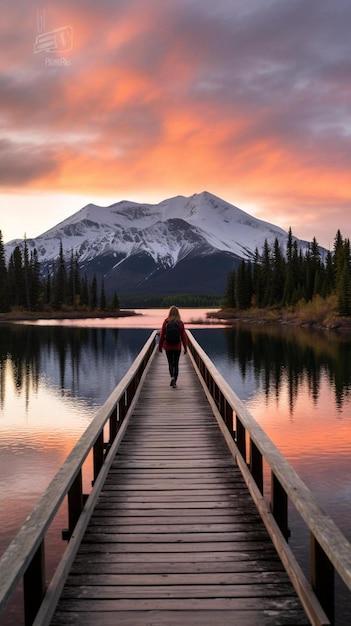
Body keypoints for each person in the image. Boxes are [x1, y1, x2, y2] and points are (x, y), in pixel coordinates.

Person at [159, 305, 187, 388]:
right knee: (176, 363)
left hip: (168, 346)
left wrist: (160, 347)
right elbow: (183, 336)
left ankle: (172, 377)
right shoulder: (180, 323)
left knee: (170, 363)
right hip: (177, 346)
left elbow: (161, 335)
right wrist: (185, 347)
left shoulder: (166, 322)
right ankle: (175, 380)